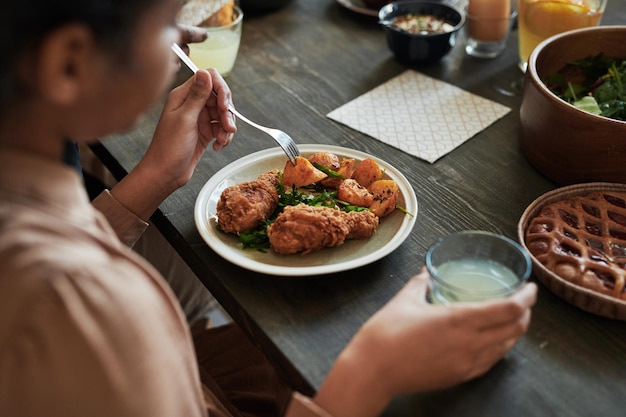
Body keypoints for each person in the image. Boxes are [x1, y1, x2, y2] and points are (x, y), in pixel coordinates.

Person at [0, 1, 538, 417]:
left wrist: (151, 183)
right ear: (68, 62)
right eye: (167, 23)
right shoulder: (84, 304)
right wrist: (368, 373)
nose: (183, 43)